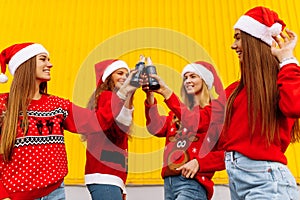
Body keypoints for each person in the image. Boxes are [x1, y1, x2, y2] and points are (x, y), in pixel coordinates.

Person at [0, 43, 136, 200]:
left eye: (49, 60)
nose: (49, 64)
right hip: (15, 195)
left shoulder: (58, 106)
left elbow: (97, 122)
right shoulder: (3, 105)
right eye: (43, 59)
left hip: (55, 192)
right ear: (26, 64)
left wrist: (124, 92)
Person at [220, 6, 300, 199]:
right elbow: (211, 128)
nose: (233, 45)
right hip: (238, 183)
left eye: (238, 37)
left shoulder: (283, 80)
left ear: (254, 41)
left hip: (268, 183)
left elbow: (295, 106)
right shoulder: (236, 91)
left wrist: (287, 58)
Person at [143, 59, 226, 200]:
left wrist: (200, 163)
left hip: (193, 183)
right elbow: (155, 127)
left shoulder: (214, 113)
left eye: (193, 76)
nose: (187, 80)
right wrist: (150, 96)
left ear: (205, 81)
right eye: (185, 77)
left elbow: (226, 155)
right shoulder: (176, 114)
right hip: (169, 183)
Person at [84, 59, 137, 200]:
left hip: (111, 176)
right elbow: (118, 129)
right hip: (105, 175)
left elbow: (120, 130)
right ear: (108, 78)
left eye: (127, 74)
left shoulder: (115, 101)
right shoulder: (107, 97)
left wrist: (130, 94)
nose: (125, 77)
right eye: (120, 73)